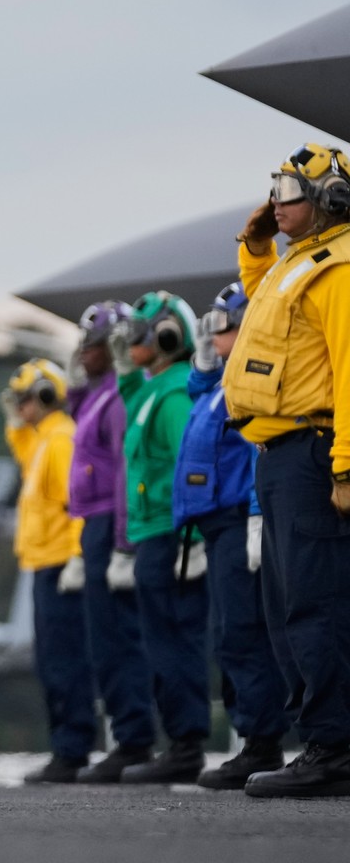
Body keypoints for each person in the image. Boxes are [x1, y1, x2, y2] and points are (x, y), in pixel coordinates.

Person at [224, 143, 350, 797]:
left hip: (311, 452)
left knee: (315, 604)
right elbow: (261, 309)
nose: (277, 200)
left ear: (330, 199)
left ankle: (335, 748)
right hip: (276, 458)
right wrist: (254, 243)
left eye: (291, 189)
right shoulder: (295, 265)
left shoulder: (341, 267)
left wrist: (347, 466)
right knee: (284, 607)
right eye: (274, 187)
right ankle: (320, 743)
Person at [177, 282, 290, 789]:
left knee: (244, 633)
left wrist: (255, 513)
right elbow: (205, 404)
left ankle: (261, 741)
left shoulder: (253, 377)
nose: (211, 334)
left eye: (218, 326)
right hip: (218, 522)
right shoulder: (225, 380)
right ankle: (254, 739)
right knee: (230, 635)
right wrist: (203, 366)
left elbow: (251, 449)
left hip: (237, 516)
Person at [110, 290, 211, 784]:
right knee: (159, 642)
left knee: (174, 641)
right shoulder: (154, 389)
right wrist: (126, 371)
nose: (129, 347)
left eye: (139, 338)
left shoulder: (173, 394)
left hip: (170, 534)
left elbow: (185, 460)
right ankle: (179, 742)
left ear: (167, 338)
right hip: (152, 533)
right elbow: (131, 403)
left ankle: (187, 746)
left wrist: (190, 533)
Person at [64, 302, 158, 784]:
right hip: (94, 524)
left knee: (118, 638)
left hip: (110, 522)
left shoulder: (121, 396)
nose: (83, 353)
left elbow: (124, 469)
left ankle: (135, 737)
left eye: (92, 345)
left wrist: (123, 543)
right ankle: (129, 734)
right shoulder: (99, 395)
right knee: (103, 640)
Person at [0, 359, 97, 784]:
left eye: (23, 400)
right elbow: (23, 456)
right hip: (44, 564)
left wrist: (78, 556)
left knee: (65, 662)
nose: (19, 409)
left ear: (41, 397)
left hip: (61, 565)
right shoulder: (42, 440)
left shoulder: (60, 441)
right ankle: (65, 748)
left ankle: (71, 751)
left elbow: (78, 503)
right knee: (52, 660)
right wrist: (17, 425)